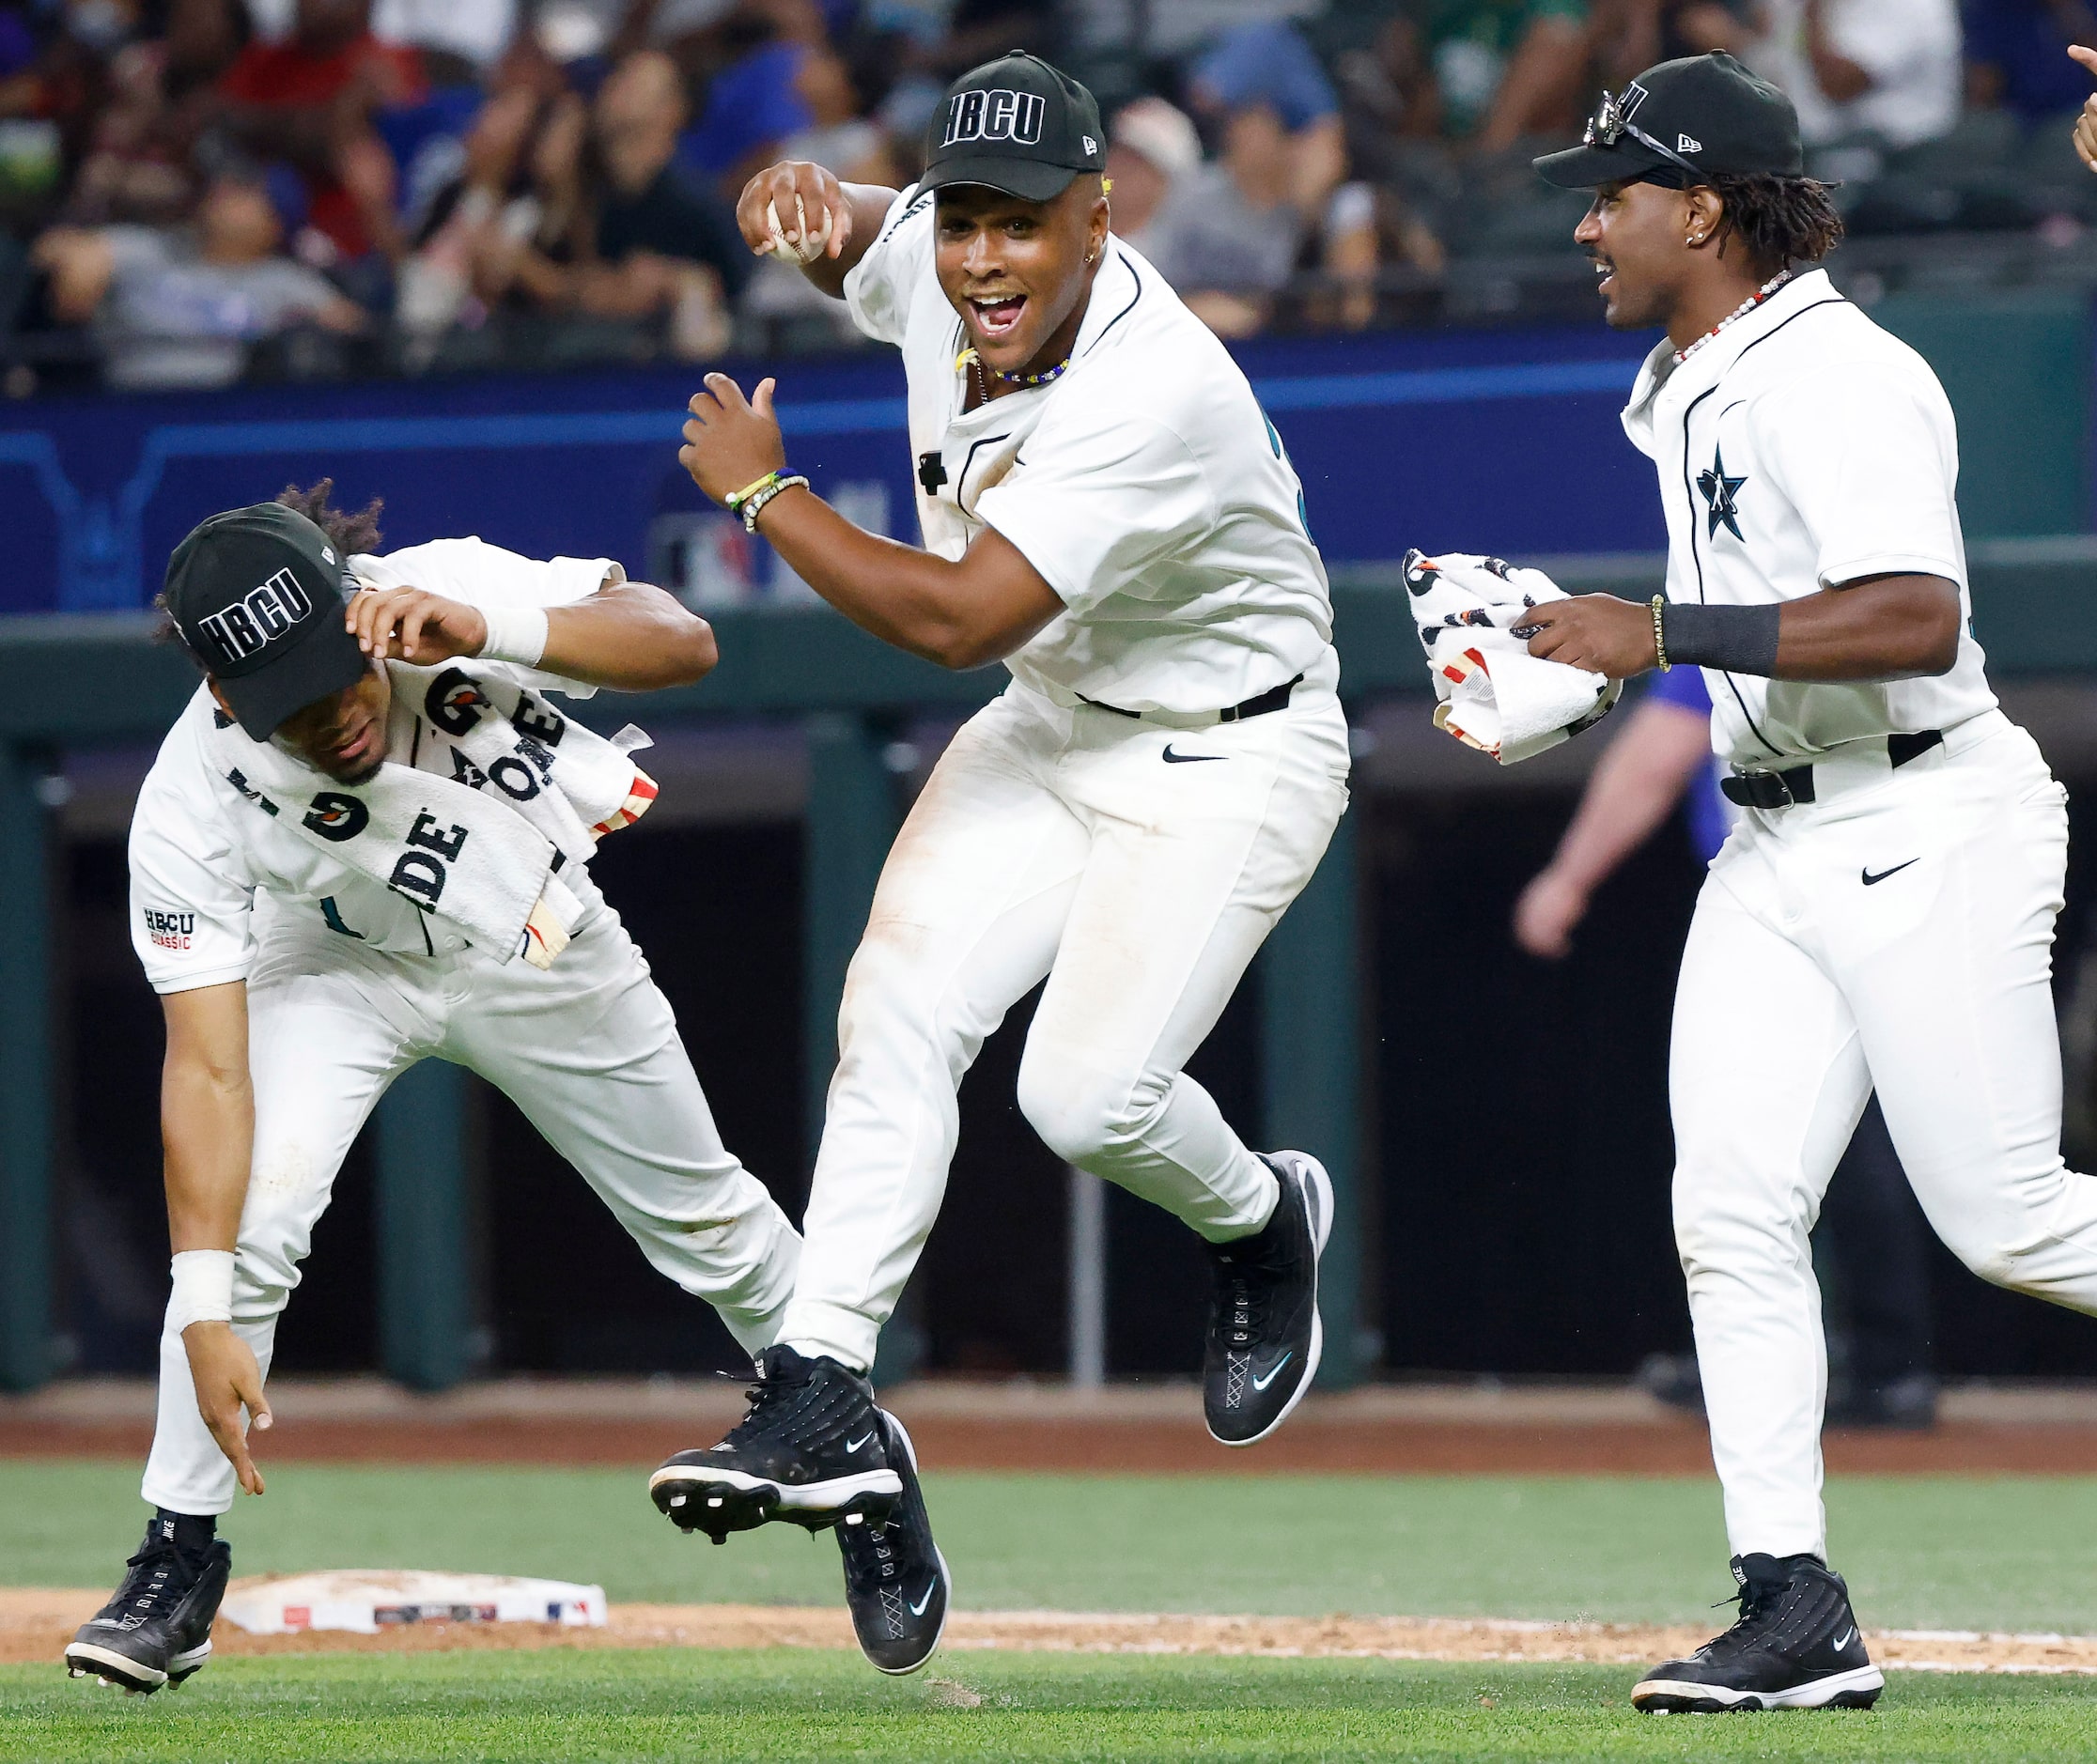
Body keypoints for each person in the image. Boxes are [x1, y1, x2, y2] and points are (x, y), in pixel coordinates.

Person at [647, 50, 1349, 1674]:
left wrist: (764, 491)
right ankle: (824, 1385)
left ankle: (1260, 1224)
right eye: (965, 216)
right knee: (891, 1012)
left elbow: (957, 619)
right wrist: (798, 207)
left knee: (1081, 1097)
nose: (982, 256)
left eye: (1024, 225)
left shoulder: (1151, 381)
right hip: (1060, 718)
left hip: (1229, 743)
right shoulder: (942, 255)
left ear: (1099, 219)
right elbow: (852, 235)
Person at [1524, 49, 2097, 1712]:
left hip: (1925, 819)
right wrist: (1593, 663)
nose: (1586, 226)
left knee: (2006, 1221)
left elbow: (1912, 611)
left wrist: (1660, 635)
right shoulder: (1699, 371)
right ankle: (1790, 1604)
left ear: (1701, 208)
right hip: (1775, 837)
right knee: (1728, 1210)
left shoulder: (1830, 370)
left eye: (1612, 194)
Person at [62, 483, 816, 1694]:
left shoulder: (443, 579)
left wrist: (488, 628)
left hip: (527, 933)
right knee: (244, 1233)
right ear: (221, 695)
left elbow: (685, 641)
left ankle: (849, 1442)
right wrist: (201, 1305)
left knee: (707, 1216)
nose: (329, 717)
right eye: (284, 707)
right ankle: (177, 1557)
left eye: (333, 674)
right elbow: (205, 1066)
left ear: (352, 608)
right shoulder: (190, 792)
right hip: (333, 960)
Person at [1514, 666, 1938, 1431]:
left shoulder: (1737, 615)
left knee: (1793, 1134)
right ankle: (1846, 1362)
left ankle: (1873, 1364)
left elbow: (1657, 755)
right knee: (1808, 1131)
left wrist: (1568, 879)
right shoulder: (1837, 606)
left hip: (1807, 893)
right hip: (1880, 882)